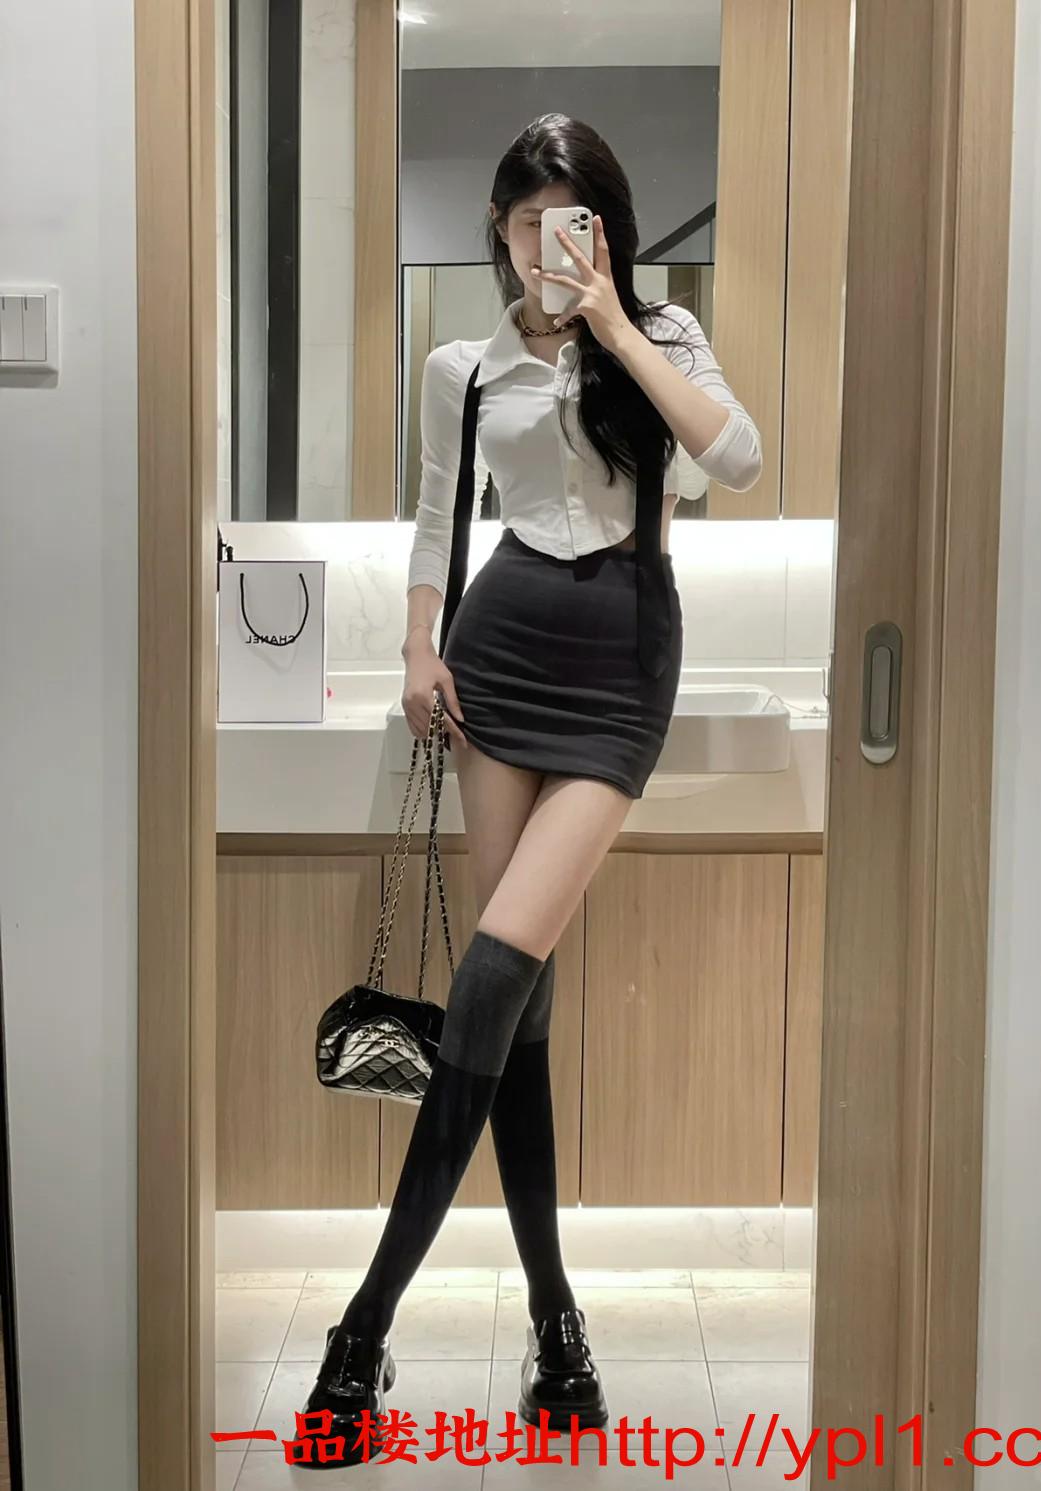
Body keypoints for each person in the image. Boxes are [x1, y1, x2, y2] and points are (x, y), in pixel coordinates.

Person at [299, 112, 762, 1467]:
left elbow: (735, 457)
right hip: (496, 657)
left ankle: (362, 1328)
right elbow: (438, 517)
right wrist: (417, 646)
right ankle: (558, 1332)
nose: (544, 247)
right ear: (497, 236)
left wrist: (613, 320)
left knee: (495, 976)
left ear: (604, 230)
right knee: (516, 1008)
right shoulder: (461, 367)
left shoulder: (663, 336)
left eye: (571, 222)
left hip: (622, 663)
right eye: (523, 225)